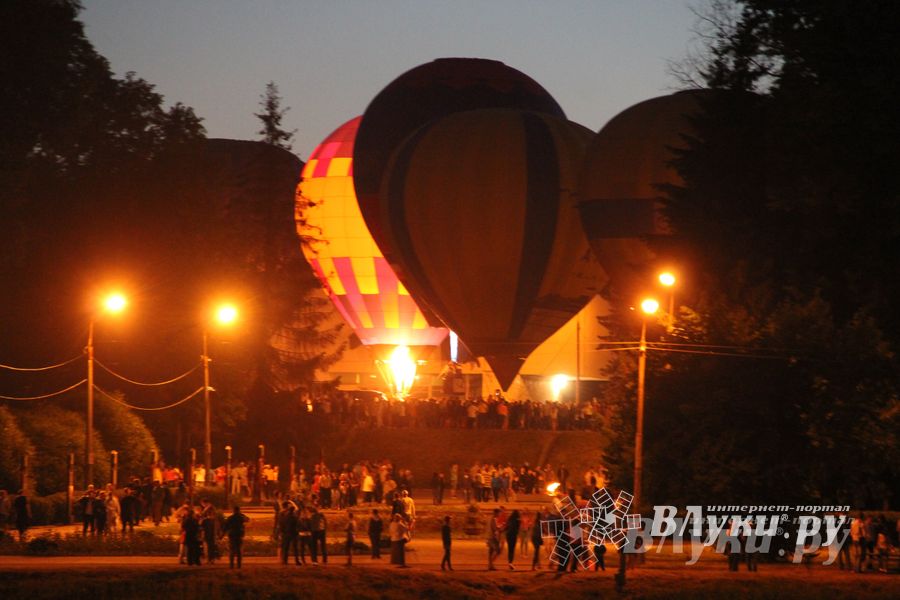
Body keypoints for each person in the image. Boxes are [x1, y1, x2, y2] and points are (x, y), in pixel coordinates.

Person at [278, 501, 300, 565]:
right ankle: (297, 560)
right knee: (295, 548)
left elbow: (281, 525)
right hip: (293, 534)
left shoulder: (284, 516)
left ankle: (285, 560)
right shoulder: (294, 518)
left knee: (286, 547)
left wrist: (282, 532)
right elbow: (297, 525)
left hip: (286, 533)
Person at [200, 498, 219, 564]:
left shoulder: (209, 509)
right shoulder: (211, 508)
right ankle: (211, 559)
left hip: (209, 531)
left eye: (202, 504)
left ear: (205, 503)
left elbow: (207, 517)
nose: (203, 506)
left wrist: (203, 518)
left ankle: (209, 559)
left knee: (208, 545)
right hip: (211, 530)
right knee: (211, 545)